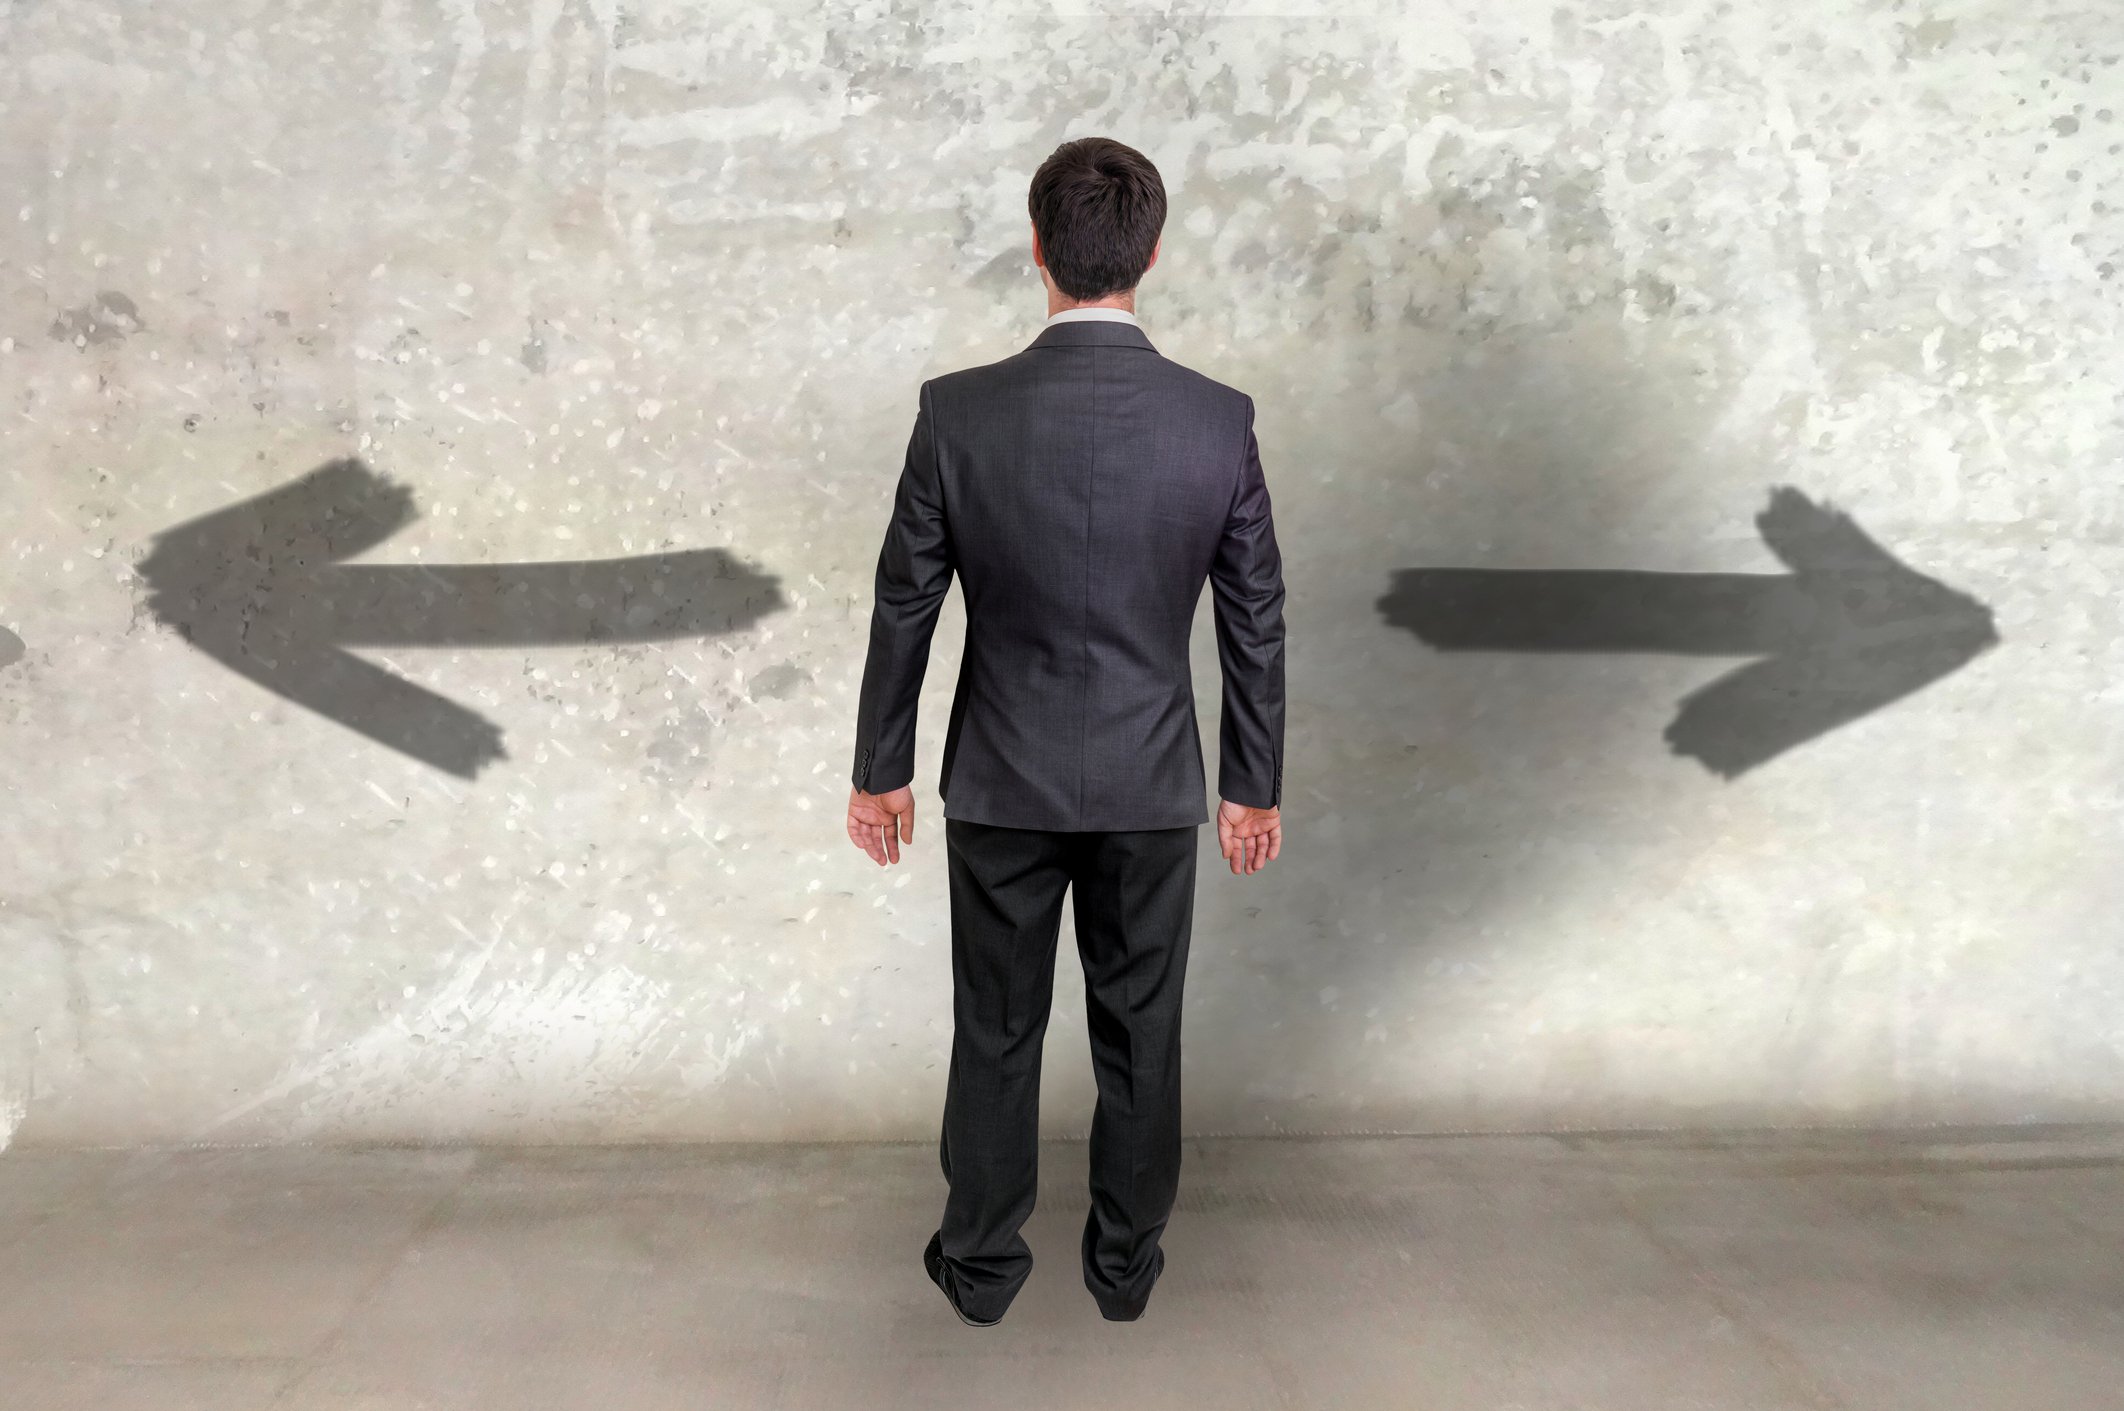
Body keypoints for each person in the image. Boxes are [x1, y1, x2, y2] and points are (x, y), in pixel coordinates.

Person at [844, 135, 1287, 1326]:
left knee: (995, 1026)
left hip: (1000, 777)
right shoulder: (1218, 420)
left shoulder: (958, 414)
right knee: (1142, 1029)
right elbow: (1255, 612)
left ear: (1037, 248)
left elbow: (906, 602)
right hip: (1154, 783)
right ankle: (1124, 1268)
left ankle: (982, 1270)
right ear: (1150, 254)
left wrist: (879, 771)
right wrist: (1251, 782)